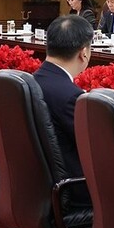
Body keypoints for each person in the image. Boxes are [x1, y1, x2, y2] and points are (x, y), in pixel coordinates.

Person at [33, 15, 92, 203]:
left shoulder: (32, 82)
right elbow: (95, 148)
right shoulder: (70, 97)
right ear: (84, 53)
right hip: (72, 190)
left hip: (38, 186)